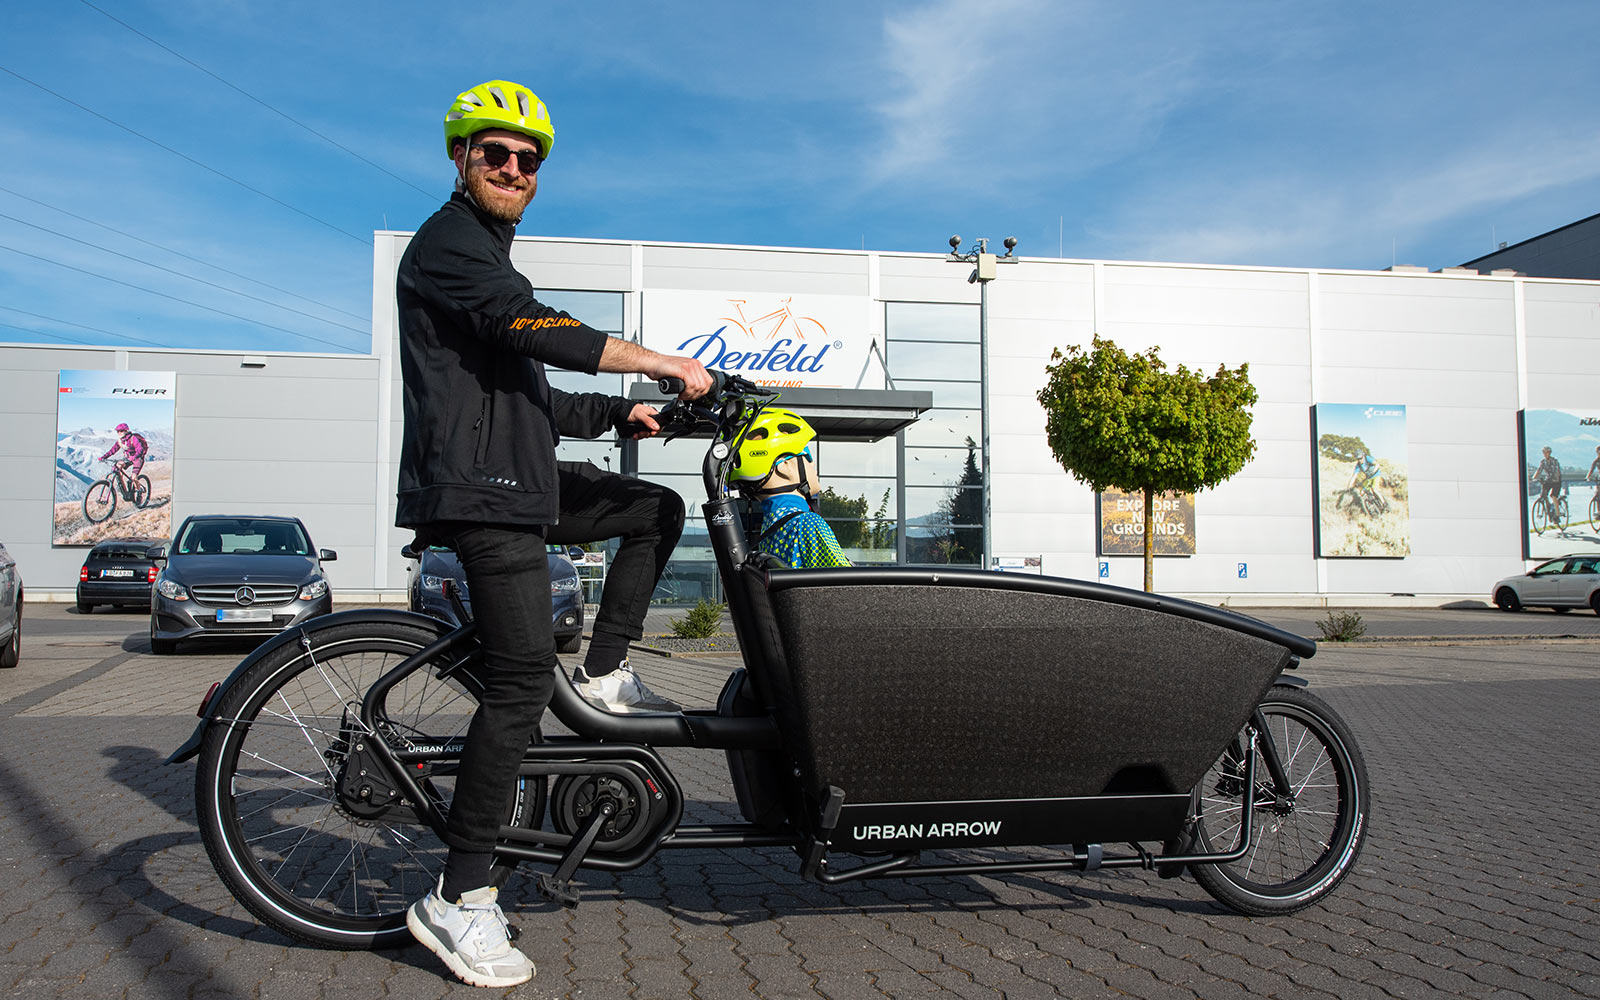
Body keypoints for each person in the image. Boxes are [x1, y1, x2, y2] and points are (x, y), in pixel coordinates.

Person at [396, 79, 712, 989]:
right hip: (481, 491)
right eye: (493, 152)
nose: (511, 168)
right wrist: (657, 358)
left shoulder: (493, 260)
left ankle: (606, 672)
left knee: (654, 511)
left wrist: (628, 413)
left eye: (526, 159)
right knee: (521, 680)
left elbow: (539, 392)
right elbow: (533, 328)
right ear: (462, 158)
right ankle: (458, 900)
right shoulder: (450, 245)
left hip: (521, 479)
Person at [731, 408, 851, 569]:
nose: (812, 463)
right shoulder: (807, 523)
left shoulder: (770, 526)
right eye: (806, 454)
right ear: (784, 467)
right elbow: (849, 588)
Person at [98, 423, 148, 489]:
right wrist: (103, 457)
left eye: (121, 431)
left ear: (126, 431)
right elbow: (113, 450)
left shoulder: (133, 438)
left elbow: (140, 449)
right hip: (128, 458)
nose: (119, 433)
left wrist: (134, 457)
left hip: (137, 459)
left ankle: (139, 491)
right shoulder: (120, 441)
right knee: (117, 467)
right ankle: (122, 487)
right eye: (117, 431)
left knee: (134, 478)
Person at [1533, 445, 1564, 512]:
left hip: (1556, 481)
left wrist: (1555, 478)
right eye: (1543, 452)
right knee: (1544, 494)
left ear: (1549, 453)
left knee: (1553, 496)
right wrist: (1533, 478)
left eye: (1546, 452)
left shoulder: (1554, 461)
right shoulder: (1543, 462)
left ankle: (1557, 515)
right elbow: (1539, 470)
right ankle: (1549, 507)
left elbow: (1556, 471)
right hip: (1548, 480)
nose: (1545, 454)